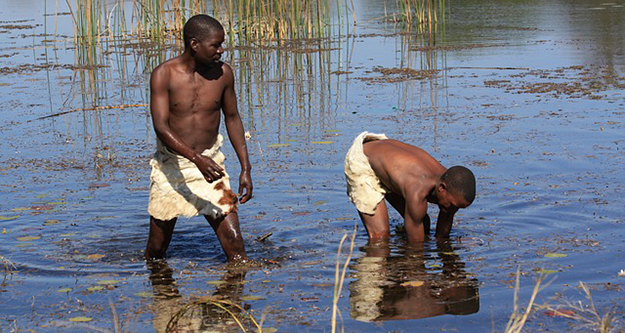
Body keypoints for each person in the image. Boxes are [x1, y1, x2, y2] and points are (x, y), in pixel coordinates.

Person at [145, 14, 252, 262]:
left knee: (236, 249)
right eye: (215, 45)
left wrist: (246, 168)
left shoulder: (224, 74)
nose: (221, 50)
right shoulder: (164, 74)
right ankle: (159, 290)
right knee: (157, 250)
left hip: (211, 165)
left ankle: (234, 296)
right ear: (194, 45)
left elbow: (233, 118)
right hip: (172, 167)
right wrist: (195, 159)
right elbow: (161, 126)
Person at [344, 132, 475, 243]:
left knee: (422, 223)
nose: (453, 210)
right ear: (441, 188)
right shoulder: (418, 189)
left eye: (458, 207)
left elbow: (442, 235)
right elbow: (415, 250)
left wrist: (445, 253)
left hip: (387, 159)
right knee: (380, 238)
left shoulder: (451, 184)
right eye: (452, 205)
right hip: (364, 159)